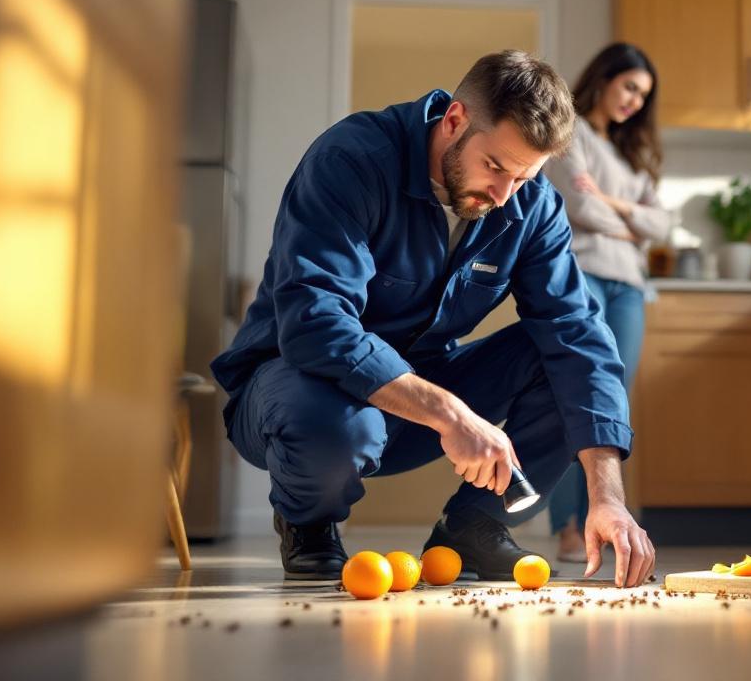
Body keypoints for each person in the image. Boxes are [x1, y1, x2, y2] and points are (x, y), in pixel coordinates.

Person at [210, 50, 655, 587]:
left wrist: (607, 495)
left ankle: (473, 528)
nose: (503, 196)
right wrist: (450, 414)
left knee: (562, 358)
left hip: (416, 403)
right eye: (496, 167)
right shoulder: (352, 159)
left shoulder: (530, 204)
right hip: (295, 393)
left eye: (523, 177)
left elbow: (579, 338)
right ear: (454, 120)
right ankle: (308, 522)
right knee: (335, 424)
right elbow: (315, 321)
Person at [543, 43, 671, 562]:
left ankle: (599, 517)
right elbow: (579, 205)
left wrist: (612, 202)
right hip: (585, 273)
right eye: (629, 87)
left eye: (643, 95)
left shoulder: (632, 157)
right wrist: (633, 224)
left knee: (611, 402)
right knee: (576, 392)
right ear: (604, 78)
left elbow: (663, 225)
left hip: (629, 287)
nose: (634, 101)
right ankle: (568, 527)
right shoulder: (570, 132)